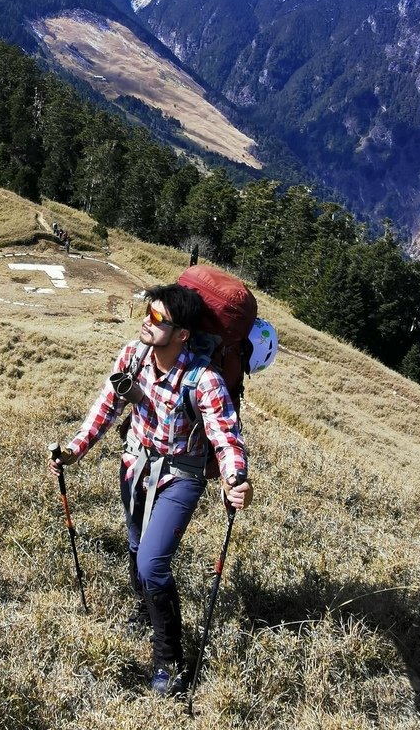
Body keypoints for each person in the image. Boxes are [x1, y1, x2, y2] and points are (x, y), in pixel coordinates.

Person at [48, 283, 252, 697]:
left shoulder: (204, 380)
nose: (147, 320)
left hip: (180, 476)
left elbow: (225, 436)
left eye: (159, 318)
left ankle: (169, 662)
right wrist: (74, 450)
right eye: (148, 311)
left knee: (153, 562)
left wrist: (236, 479)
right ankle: (145, 612)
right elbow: (106, 407)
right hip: (135, 465)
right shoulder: (133, 355)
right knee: (136, 544)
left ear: (183, 335)